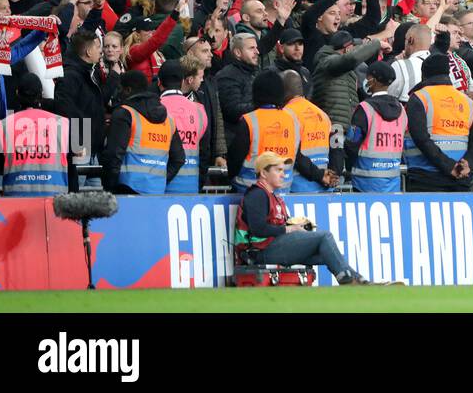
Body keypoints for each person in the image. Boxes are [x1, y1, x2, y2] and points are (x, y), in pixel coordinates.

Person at [233, 152, 368, 284]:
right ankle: (347, 280)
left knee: (326, 253)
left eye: (283, 170)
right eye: (278, 170)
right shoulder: (257, 194)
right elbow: (258, 229)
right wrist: (290, 229)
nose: (283, 174)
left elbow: (274, 224)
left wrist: (296, 225)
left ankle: (358, 280)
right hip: (260, 252)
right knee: (325, 237)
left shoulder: (271, 195)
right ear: (263, 173)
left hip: (271, 247)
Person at [403, 42, 473, 191]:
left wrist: (448, 166)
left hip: (425, 178)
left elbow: (421, 138)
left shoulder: (419, 98)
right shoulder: (468, 102)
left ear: (424, 75)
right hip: (460, 177)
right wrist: (468, 163)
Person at [0, 74, 75, 196]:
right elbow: (71, 169)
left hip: (16, 204)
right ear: (41, 93)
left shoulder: (4, 125)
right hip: (55, 204)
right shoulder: (62, 124)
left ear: (17, 93)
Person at [102, 70, 186, 194]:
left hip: (126, 189)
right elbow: (179, 158)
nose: (118, 93)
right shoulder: (168, 119)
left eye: (121, 89)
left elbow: (114, 155)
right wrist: (161, 179)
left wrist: (111, 187)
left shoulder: (125, 113)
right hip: (156, 192)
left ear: (128, 90)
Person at [345, 61, 407, 193]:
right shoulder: (401, 110)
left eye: (367, 78)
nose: (366, 81)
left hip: (365, 182)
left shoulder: (365, 108)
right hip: (393, 181)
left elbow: (352, 144)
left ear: (373, 80)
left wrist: (350, 167)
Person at [159, 59, 211, 193]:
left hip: (161, 184)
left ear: (159, 82)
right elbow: (204, 150)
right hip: (190, 184)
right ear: (183, 81)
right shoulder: (199, 110)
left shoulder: (156, 107)